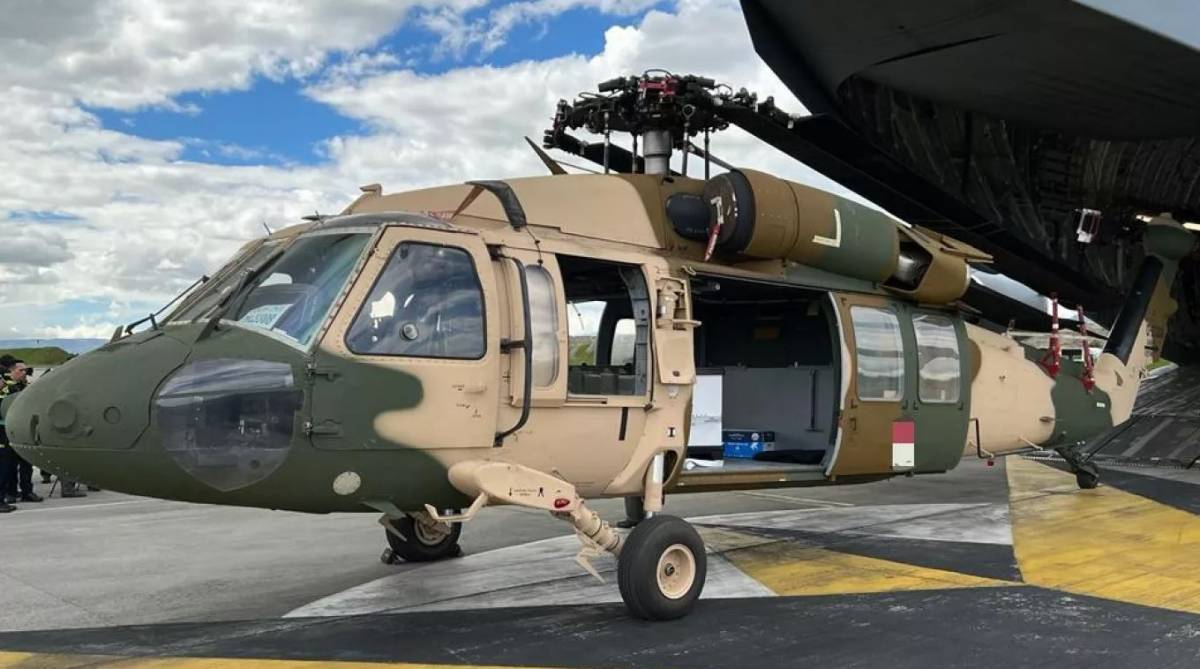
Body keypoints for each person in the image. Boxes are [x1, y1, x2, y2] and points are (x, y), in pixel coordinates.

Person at [0, 357, 42, 506]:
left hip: (23, 431)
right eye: (21, 370)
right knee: (8, 465)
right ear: (11, 372)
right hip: (5, 432)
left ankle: (26, 491)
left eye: (25, 370)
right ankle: (10, 492)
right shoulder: (7, 388)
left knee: (26, 463)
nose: (24, 373)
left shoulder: (24, 386)